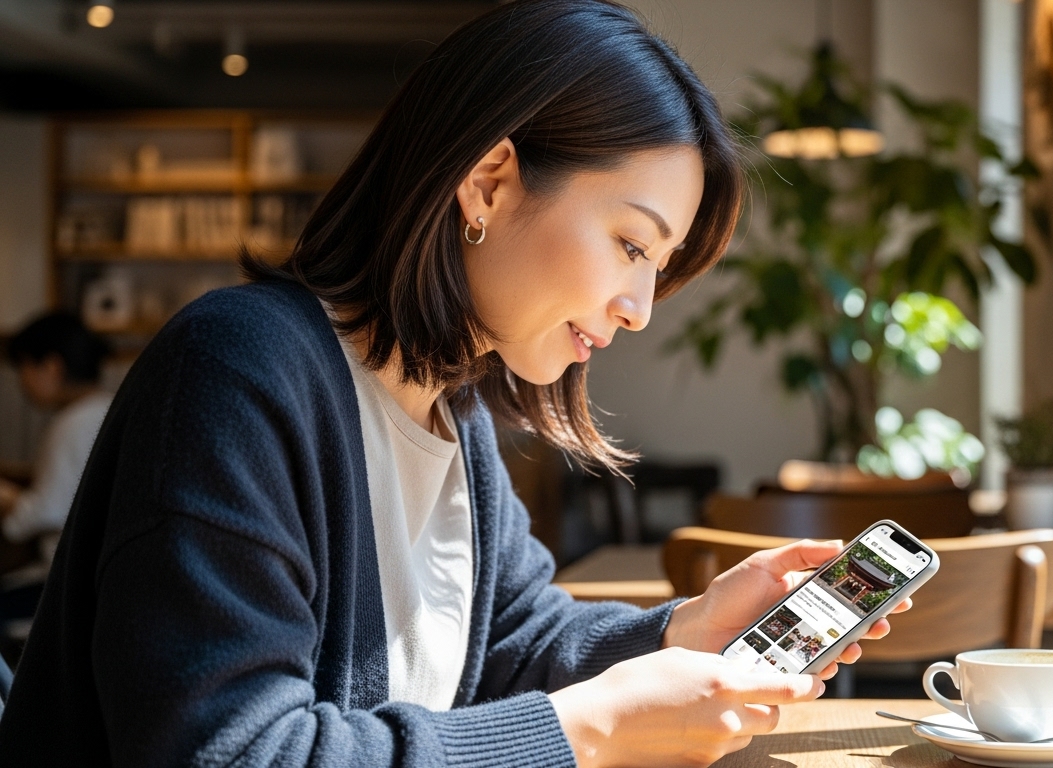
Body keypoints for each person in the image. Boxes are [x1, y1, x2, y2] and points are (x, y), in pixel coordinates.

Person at [0, 2, 910, 766]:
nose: (639, 307)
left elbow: (516, 642)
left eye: (658, 266)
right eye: (632, 245)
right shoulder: (237, 372)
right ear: (488, 182)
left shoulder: (451, 409)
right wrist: (586, 733)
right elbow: (233, 751)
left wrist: (685, 629)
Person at [0, 312, 112, 563]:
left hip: (66, 582)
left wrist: (7, 497)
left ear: (52, 367)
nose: (22, 382)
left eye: (24, 368)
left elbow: (49, 512)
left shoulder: (73, 423)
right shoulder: (105, 408)